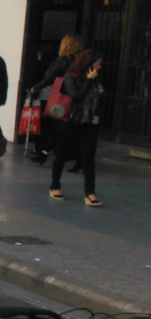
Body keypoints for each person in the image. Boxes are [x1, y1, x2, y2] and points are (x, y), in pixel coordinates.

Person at [49, 50, 106, 206]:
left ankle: (90, 193)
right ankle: (55, 185)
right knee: (63, 155)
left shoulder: (95, 80)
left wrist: (97, 115)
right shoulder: (70, 78)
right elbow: (77, 97)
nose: (99, 67)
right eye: (97, 64)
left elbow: (98, 99)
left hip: (88, 125)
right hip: (70, 123)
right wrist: (88, 80)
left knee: (88, 159)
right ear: (88, 64)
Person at [27, 34, 80, 165]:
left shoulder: (63, 60)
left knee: (57, 126)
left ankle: (46, 152)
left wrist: (36, 87)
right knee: (62, 126)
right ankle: (45, 153)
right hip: (76, 96)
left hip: (62, 97)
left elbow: (51, 77)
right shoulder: (79, 60)